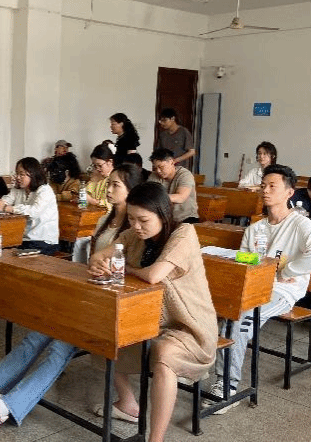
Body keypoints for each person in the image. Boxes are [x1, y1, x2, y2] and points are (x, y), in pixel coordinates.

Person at [0, 164, 143, 430]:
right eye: (109, 183)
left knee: (60, 347)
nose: (108, 190)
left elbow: (132, 273)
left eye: (116, 185)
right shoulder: (105, 219)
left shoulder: (135, 229)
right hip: (90, 296)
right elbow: (91, 262)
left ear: (132, 191)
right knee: (37, 334)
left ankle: (5, 408)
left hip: (111, 307)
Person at [88, 182, 217, 442]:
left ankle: (155, 439)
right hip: (150, 320)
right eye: (132, 219)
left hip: (189, 326)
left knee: (164, 354)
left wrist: (124, 269)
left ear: (163, 214)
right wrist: (98, 263)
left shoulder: (184, 233)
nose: (136, 226)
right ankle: (127, 402)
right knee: (103, 334)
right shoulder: (133, 235)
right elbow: (99, 255)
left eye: (143, 220)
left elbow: (155, 275)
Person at [209, 164, 311, 413]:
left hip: (283, 291)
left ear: (289, 192)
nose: (265, 190)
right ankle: (196, 366)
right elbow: (245, 262)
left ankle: (227, 386)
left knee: (240, 318)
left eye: (272, 186)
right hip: (254, 287)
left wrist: (286, 272)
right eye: (263, 186)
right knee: (219, 310)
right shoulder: (255, 229)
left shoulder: (300, 224)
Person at [0, 157, 59, 255]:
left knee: (7, 254)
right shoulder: (18, 190)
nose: (18, 177)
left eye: (21, 174)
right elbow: (6, 200)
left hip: (43, 241)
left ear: (33, 174)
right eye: (17, 174)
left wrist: (6, 208)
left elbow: (34, 212)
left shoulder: (45, 190)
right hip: (23, 239)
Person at [148, 148, 199, 223]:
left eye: (161, 167)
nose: (158, 171)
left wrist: (156, 197)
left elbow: (181, 197)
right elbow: (148, 194)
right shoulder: (154, 175)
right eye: (155, 168)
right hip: (165, 219)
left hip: (186, 218)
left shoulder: (185, 175)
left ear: (171, 162)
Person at [87, 143, 116, 211]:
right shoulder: (98, 176)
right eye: (95, 166)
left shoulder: (116, 179)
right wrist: (92, 181)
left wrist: (93, 201)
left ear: (110, 162)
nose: (97, 168)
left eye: (99, 165)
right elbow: (87, 194)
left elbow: (112, 204)